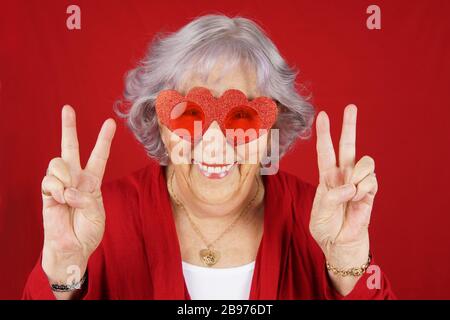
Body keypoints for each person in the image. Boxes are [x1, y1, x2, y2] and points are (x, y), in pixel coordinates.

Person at [23, 14, 394, 300]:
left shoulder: (323, 222)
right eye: (189, 115)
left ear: (271, 126)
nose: (215, 144)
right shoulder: (100, 218)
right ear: (160, 122)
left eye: (242, 117)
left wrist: (348, 266)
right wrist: (62, 267)